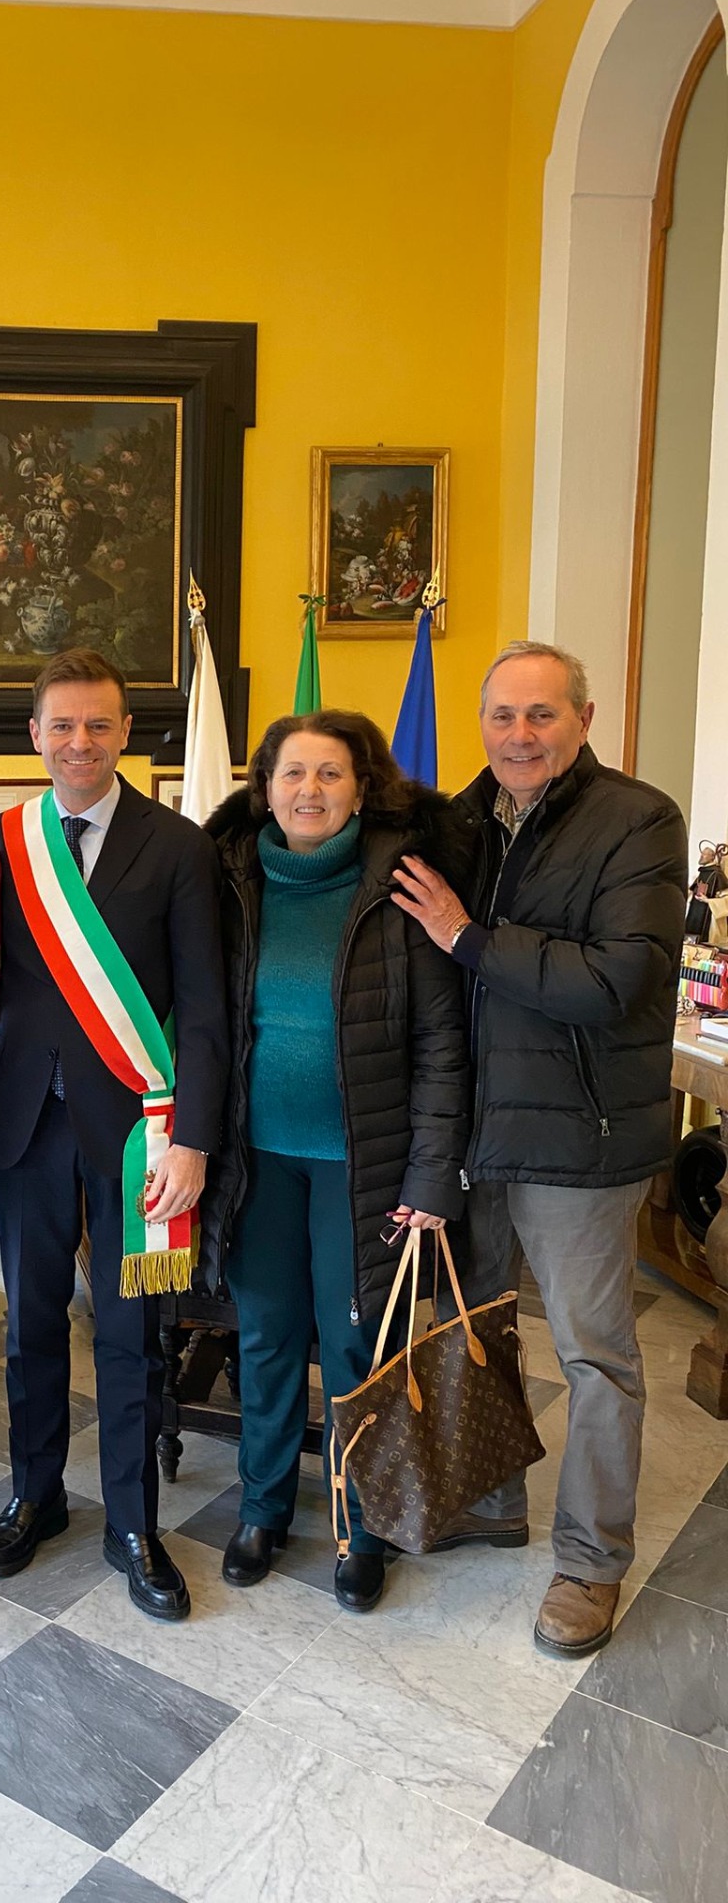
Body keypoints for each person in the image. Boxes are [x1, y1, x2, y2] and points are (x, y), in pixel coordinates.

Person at [392, 641, 687, 1658]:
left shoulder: (639, 820)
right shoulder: (457, 821)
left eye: (542, 714)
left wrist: (468, 935)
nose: (519, 735)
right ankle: (490, 1499)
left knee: (595, 1355)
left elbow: (616, 982)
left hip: (580, 1138)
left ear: (584, 720)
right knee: (474, 1326)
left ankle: (591, 1561)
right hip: (474, 1131)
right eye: (503, 715)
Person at [0, 649, 227, 1622]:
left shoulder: (180, 845)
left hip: (139, 1132)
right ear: (36, 735)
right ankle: (34, 1496)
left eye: (98, 724)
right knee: (31, 1322)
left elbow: (202, 1006)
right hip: (25, 1120)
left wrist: (193, 1137)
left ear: (126, 734)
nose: (80, 741)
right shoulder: (0, 841)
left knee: (131, 1332)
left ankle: (133, 1523)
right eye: (63, 725)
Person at [198, 712, 470, 1613]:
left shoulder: (402, 886)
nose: (308, 790)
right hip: (256, 1162)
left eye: (329, 774)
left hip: (365, 1165)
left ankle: (365, 1521)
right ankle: (263, 1508)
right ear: (264, 787)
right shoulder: (229, 880)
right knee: (267, 1336)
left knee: (358, 1344)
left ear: (362, 789)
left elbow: (441, 1045)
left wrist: (432, 1174)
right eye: (291, 773)